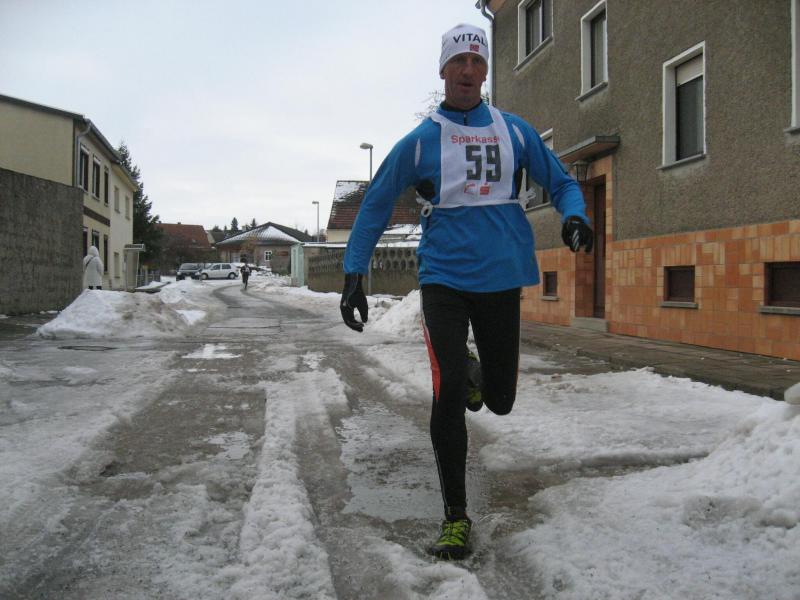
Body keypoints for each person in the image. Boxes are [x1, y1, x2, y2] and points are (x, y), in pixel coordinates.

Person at [339, 23, 594, 560]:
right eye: (458, 61)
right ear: (443, 70)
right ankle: (455, 516)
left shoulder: (514, 131)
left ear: (485, 72)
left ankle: (476, 375)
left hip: (501, 278)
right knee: (448, 388)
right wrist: (353, 273)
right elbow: (377, 202)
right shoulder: (421, 141)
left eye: (477, 61)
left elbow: (563, 182)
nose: (468, 70)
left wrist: (575, 215)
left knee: (499, 401)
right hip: (444, 280)